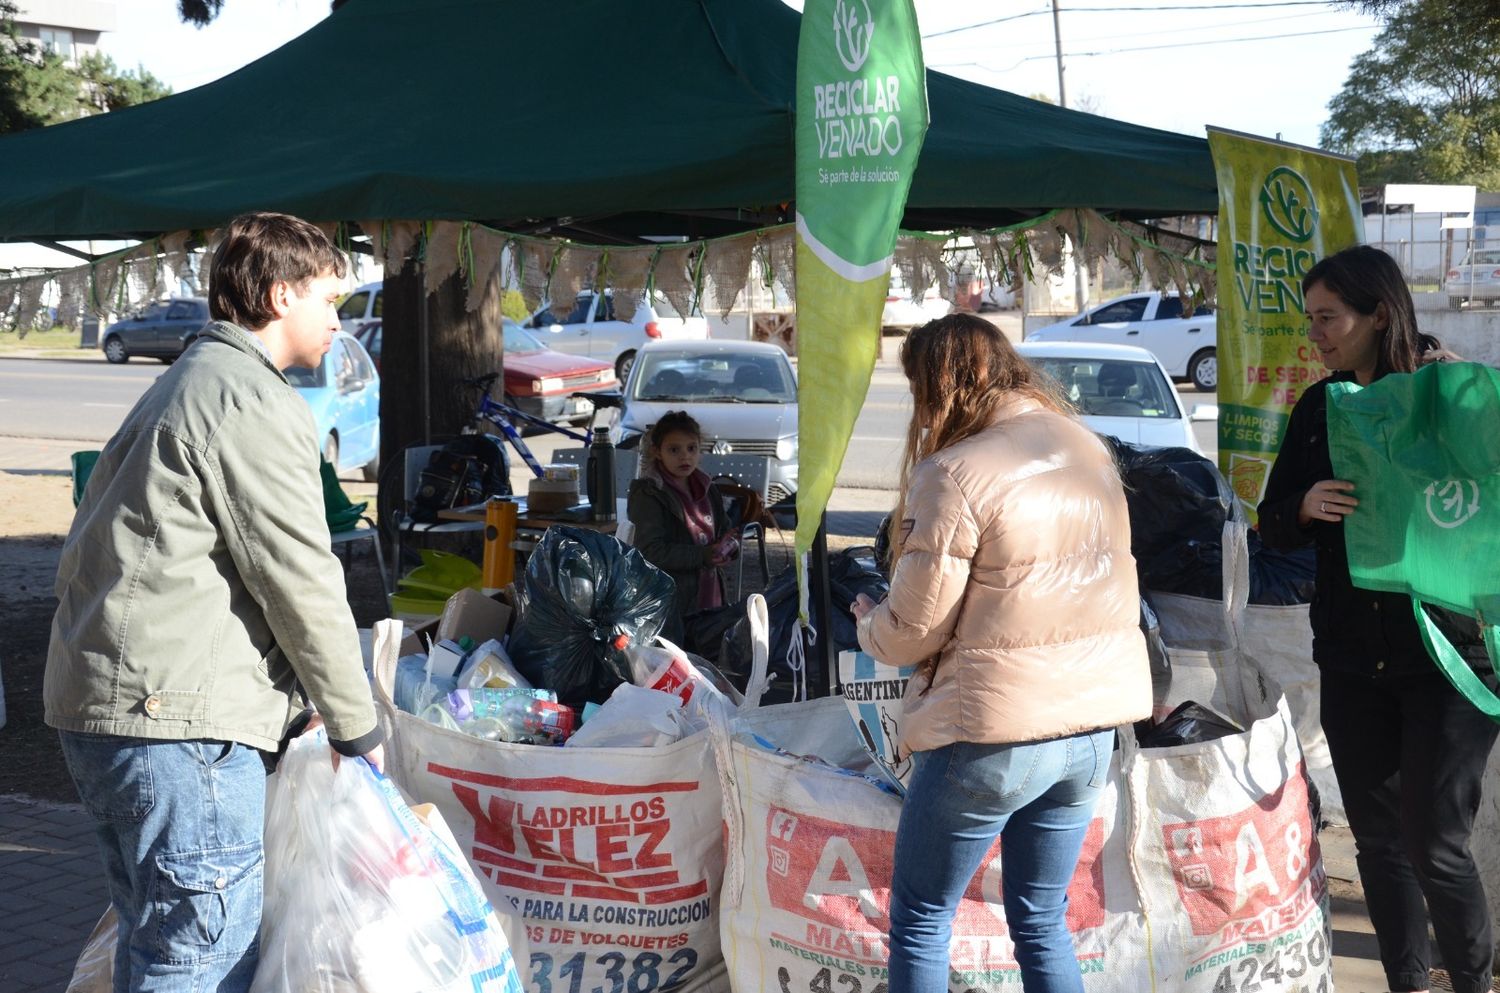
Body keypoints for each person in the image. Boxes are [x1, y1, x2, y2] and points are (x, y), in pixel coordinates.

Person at [45, 212, 385, 993]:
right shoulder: (245, 399)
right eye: (328, 300)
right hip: (177, 725)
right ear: (278, 295)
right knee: (200, 953)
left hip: (121, 709)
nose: (339, 319)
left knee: (158, 940)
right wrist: (357, 727)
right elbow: (300, 579)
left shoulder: (194, 380)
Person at [851, 313, 1151, 993]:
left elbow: (913, 627)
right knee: (1042, 919)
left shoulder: (955, 470)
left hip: (992, 730)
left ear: (945, 384)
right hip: (1089, 732)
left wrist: (870, 624)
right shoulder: (1087, 448)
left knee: (923, 918)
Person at [1258, 244, 1494, 993]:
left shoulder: (1454, 398)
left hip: (1448, 656)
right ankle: (1406, 981)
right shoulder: (1319, 406)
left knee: (1438, 845)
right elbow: (1272, 522)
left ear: (1379, 314)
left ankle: (1474, 977)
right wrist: (1302, 504)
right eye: (1311, 319)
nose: (1316, 334)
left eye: (1328, 318)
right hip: (1354, 657)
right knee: (1379, 842)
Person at [627, 410, 738, 645]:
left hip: (710, 597)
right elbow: (649, 551)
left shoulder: (708, 487)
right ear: (657, 452)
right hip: (671, 605)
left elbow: (725, 529)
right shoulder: (648, 493)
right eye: (674, 449)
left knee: (707, 661)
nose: (684, 457)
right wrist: (705, 555)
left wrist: (729, 547)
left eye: (691, 448)